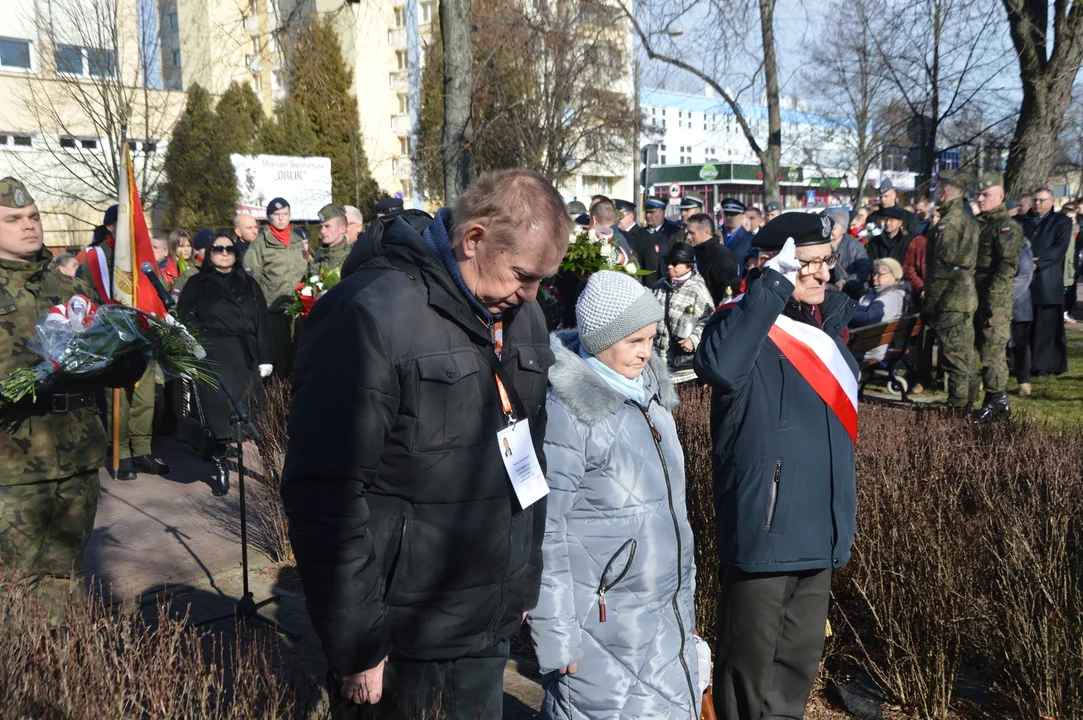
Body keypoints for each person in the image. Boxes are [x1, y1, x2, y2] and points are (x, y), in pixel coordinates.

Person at [281, 169, 569, 719]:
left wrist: (523, 585)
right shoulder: (368, 313)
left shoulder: (522, 315)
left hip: (489, 624)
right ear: (474, 238)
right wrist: (358, 645)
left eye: (541, 280)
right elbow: (326, 495)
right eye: (522, 275)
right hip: (402, 639)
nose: (533, 296)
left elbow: (529, 457)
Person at [693, 212, 856, 720]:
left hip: (819, 526)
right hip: (765, 530)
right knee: (749, 676)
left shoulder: (822, 325)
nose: (824, 275)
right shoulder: (738, 321)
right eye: (809, 265)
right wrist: (773, 282)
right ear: (775, 266)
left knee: (795, 672)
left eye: (827, 262)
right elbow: (721, 366)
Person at [532, 271, 699, 719]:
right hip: (600, 623)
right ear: (601, 339)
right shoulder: (568, 411)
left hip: (663, 612)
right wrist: (555, 633)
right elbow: (545, 529)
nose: (647, 352)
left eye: (651, 338)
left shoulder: (651, 397)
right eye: (633, 341)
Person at [0, 177, 145, 613]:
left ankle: (63, 670)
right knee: (14, 584)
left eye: (34, 217)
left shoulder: (73, 289)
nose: (29, 226)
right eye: (13, 219)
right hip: (13, 466)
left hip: (78, 454)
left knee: (66, 577)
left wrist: (129, 350)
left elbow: (117, 374)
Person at [177, 233, 272, 497]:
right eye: (218, 249)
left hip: (244, 354)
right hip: (211, 355)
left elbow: (262, 322)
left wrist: (266, 357)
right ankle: (220, 465)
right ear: (209, 254)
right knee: (218, 415)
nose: (224, 253)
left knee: (254, 412)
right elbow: (184, 322)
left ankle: (268, 463)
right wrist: (187, 356)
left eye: (229, 249)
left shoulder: (249, 283)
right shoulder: (196, 284)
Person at [925, 170, 980, 411]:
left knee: (954, 356)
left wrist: (929, 303)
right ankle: (969, 401)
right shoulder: (969, 219)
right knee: (966, 351)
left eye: (937, 189)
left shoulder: (948, 224)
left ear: (944, 192)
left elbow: (942, 267)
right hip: (967, 295)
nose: (935, 194)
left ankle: (957, 409)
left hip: (950, 298)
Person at [972, 174, 1024, 424]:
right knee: (982, 348)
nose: (980, 199)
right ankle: (994, 399)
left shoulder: (1006, 227)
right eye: (979, 194)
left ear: (1000, 197)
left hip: (995, 300)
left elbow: (1007, 267)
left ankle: (997, 401)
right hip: (977, 295)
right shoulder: (982, 224)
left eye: (986, 195)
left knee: (993, 349)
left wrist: (991, 300)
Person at [243, 197, 309, 378]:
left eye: (285, 214)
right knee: (278, 364)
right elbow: (251, 283)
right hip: (274, 314)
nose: (281, 218)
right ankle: (277, 403)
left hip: (299, 312)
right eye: (276, 215)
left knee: (299, 360)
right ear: (268, 217)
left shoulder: (297, 241)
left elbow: (307, 271)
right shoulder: (259, 246)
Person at [1023, 187, 1071, 376]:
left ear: (1051, 201)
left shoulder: (1061, 221)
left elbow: (1060, 247)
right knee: (1026, 326)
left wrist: (1038, 261)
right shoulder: (1022, 221)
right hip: (1025, 282)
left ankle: (1044, 365)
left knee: (1046, 327)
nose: (1037, 203)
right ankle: (1025, 363)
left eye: (1042, 200)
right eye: (1035, 199)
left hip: (1047, 280)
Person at [652, 242, 716, 381]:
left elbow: (710, 322)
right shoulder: (659, 286)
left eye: (675, 263)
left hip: (683, 370)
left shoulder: (698, 290)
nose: (669, 266)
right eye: (667, 262)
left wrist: (693, 340)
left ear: (689, 266)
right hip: (657, 364)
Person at [850, 258, 908, 362]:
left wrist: (844, 315)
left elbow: (870, 318)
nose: (875, 277)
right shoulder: (877, 294)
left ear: (894, 276)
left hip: (869, 348)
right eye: (874, 273)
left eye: (879, 274)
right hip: (866, 342)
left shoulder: (891, 297)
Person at [685, 212, 738, 304]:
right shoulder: (691, 252)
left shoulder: (722, 255)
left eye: (692, 233)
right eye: (688, 232)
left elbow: (729, 291)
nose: (688, 237)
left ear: (706, 232)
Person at [826, 207, 870, 297]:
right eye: (828, 227)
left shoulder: (856, 246)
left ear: (843, 229)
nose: (830, 230)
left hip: (851, 294)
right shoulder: (824, 246)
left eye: (833, 228)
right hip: (829, 294)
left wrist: (846, 282)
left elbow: (863, 271)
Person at [615, 198, 659, 286]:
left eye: (619, 217)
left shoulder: (645, 237)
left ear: (630, 217)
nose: (616, 220)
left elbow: (650, 270)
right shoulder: (616, 235)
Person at [1011, 240, 1036, 395]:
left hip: (1018, 304)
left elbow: (1025, 276)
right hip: (993, 305)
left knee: (1021, 345)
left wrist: (1002, 294)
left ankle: (1024, 381)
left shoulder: (1023, 251)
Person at [311, 203, 351, 276]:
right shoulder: (319, 257)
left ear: (343, 229)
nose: (322, 231)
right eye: (321, 227)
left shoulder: (351, 259)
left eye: (327, 226)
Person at [172, 228, 209, 296]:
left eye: (189, 246)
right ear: (173, 248)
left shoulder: (196, 267)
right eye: (181, 246)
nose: (186, 250)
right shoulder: (167, 270)